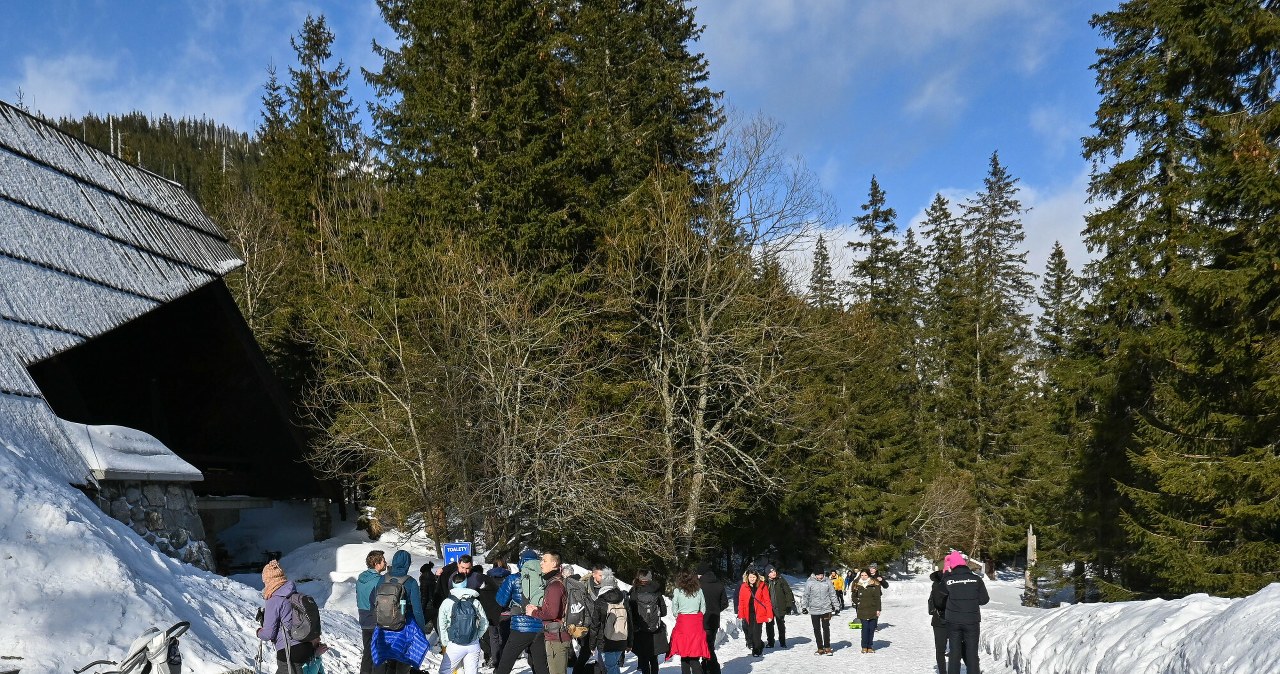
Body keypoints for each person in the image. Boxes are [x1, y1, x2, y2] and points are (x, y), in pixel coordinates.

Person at [256, 560, 316, 673]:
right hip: (306, 646)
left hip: (289, 651)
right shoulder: (294, 595)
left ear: (268, 580)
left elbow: (268, 634)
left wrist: (259, 631)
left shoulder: (274, 600)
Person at [494, 549, 547, 674]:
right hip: (540, 628)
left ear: (521, 562)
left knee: (505, 665)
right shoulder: (545, 579)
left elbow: (501, 601)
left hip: (520, 628)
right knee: (541, 667)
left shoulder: (513, 579)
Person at [942, 550, 989, 674]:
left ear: (952, 566)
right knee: (972, 653)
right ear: (964, 564)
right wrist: (971, 601)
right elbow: (984, 600)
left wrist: (946, 573)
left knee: (954, 653)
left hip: (953, 621)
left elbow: (940, 596)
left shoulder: (948, 580)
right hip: (972, 621)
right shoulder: (976, 579)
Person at [527, 552, 572, 674]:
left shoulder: (555, 585)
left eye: (544, 560)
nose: (541, 563)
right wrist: (539, 608)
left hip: (556, 638)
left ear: (554, 563)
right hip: (557, 636)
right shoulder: (556, 582)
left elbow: (552, 614)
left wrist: (534, 613)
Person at [438, 571, 490, 674]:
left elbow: (441, 625)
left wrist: (445, 642)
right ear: (466, 584)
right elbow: (485, 622)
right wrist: (477, 636)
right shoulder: (475, 602)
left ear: (453, 585)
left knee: (445, 672)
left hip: (454, 645)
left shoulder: (447, 602)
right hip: (473, 644)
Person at [667, 570, 710, 674]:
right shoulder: (699, 590)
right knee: (694, 656)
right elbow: (703, 608)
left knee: (684, 655)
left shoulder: (677, 591)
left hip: (683, 624)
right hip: (696, 625)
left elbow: (674, 607)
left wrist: (679, 616)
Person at [629, 570, 668, 674]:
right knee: (653, 659)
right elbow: (664, 612)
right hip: (655, 629)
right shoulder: (656, 591)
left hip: (640, 630)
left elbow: (631, 612)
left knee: (644, 658)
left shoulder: (634, 591)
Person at [591, 571, 630, 674]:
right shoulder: (623, 599)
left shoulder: (600, 601)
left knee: (610, 667)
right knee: (613, 666)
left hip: (605, 641)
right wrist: (630, 642)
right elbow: (629, 622)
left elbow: (595, 624)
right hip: (622, 639)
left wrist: (592, 644)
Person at [358, 551, 388, 674]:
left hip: (364, 619)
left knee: (368, 653)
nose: (385, 563)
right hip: (376, 620)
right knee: (379, 655)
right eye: (383, 561)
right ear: (377, 564)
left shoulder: (361, 578)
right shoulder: (379, 580)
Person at [695, 563, 728, 674]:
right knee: (709, 645)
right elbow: (725, 603)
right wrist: (716, 610)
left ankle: (713, 669)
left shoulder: (698, 586)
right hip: (714, 620)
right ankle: (706, 668)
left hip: (700, 620)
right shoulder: (719, 584)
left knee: (706, 648)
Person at [478, 558, 511, 668]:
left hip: (491, 613)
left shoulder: (488, 578)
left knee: (494, 637)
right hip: (505, 612)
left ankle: (495, 660)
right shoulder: (508, 578)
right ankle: (504, 662)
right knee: (504, 638)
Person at [735, 568, 773, 658]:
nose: (752, 579)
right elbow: (741, 601)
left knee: (757, 631)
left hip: (759, 612)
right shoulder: (744, 586)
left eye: (754, 577)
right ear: (747, 577)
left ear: (757, 577)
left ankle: (756, 650)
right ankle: (759, 643)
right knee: (750, 632)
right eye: (750, 577)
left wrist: (769, 614)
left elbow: (767, 600)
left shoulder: (762, 585)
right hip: (749, 613)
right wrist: (741, 613)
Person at [800, 569, 837, 655]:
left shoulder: (827, 581)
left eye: (822, 574)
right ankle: (820, 648)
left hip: (826, 608)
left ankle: (827, 647)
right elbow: (806, 595)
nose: (820, 576)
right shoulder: (809, 582)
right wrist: (804, 607)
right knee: (817, 629)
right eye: (818, 575)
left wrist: (836, 606)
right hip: (814, 609)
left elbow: (832, 594)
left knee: (826, 628)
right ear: (815, 574)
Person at [763, 566, 794, 648]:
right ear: (767, 574)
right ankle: (770, 642)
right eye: (771, 572)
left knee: (781, 625)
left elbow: (788, 592)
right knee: (769, 625)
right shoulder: (764, 583)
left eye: (774, 571)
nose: (773, 573)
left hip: (780, 606)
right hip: (769, 607)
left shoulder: (781, 580)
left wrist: (788, 605)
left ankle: (782, 642)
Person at [854, 570, 882, 653]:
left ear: (869, 575)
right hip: (862, 610)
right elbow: (853, 596)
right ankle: (864, 646)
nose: (863, 577)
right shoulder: (857, 584)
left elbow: (878, 598)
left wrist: (878, 609)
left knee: (871, 629)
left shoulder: (875, 584)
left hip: (872, 609)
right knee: (865, 628)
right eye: (862, 575)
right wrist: (858, 602)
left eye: (865, 575)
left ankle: (870, 646)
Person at [929, 564, 950, 674]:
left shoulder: (950, 580)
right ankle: (943, 671)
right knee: (941, 649)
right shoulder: (937, 583)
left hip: (949, 620)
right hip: (940, 620)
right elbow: (938, 602)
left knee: (943, 649)